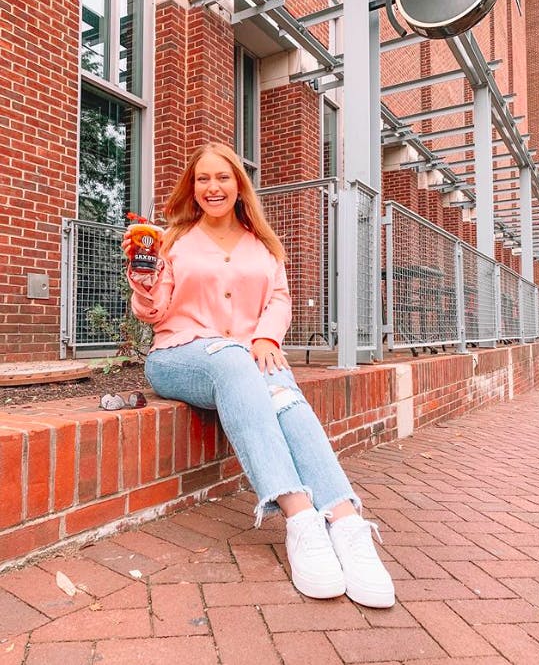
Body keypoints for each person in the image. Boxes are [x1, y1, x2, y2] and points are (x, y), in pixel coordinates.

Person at [122, 142, 395, 609]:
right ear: (192, 188)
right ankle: (300, 519)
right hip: (179, 357)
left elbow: (280, 299)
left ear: (239, 185)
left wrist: (267, 337)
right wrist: (143, 278)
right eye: (202, 179)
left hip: (250, 360)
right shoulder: (173, 242)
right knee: (236, 360)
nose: (212, 187)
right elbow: (154, 313)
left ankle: (347, 524)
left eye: (222, 177)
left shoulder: (263, 245)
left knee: (282, 393)